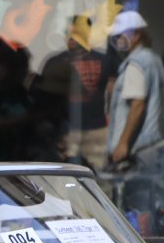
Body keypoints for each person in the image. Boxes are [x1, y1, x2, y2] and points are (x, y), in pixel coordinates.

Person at [34, 14, 116, 166]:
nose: (71, 37)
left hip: (97, 130)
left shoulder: (105, 60)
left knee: (99, 175)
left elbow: (113, 92)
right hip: (66, 132)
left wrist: (112, 120)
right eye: (68, 32)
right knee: (66, 174)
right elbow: (44, 99)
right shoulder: (55, 62)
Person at [106, 9, 164, 169]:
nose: (118, 40)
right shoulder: (153, 59)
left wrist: (123, 143)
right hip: (150, 146)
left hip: (135, 149)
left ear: (136, 35)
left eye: (121, 35)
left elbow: (138, 105)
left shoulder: (136, 64)